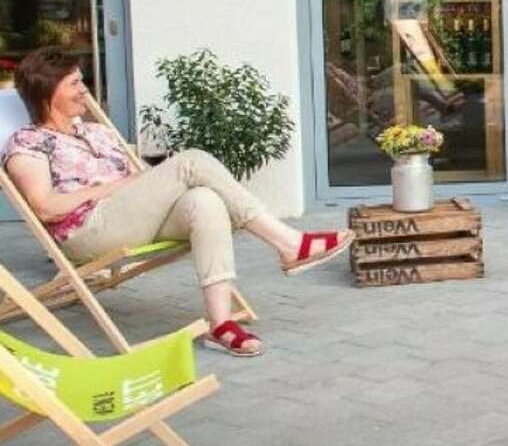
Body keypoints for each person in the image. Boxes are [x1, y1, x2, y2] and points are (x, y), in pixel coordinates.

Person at [2, 49, 354, 356]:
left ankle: (221, 325)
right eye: (75, 84)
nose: (85, 91)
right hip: (87, 230)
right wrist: (122, 185)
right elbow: (46, 207)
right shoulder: (28, 143)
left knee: (204, 201)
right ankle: (289, 243)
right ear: (48, 92)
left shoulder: (97, 132)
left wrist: (140, 181)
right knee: (191, 160)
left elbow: (141, 185)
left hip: (129, 219)